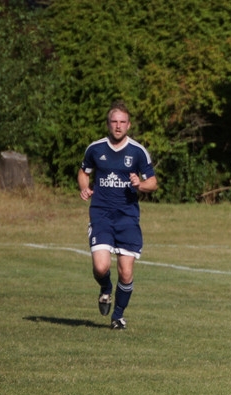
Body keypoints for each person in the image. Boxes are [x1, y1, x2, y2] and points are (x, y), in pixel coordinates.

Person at [78, 100, 158, 330]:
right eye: (114, 121)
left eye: (122, 122)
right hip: (101, 214)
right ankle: (105, 288)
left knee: (126, 272)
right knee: (101, 267)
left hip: (127, 217)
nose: (118, 126)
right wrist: (84, 186)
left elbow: (153, 183)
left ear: (129, 125)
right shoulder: (96, 149)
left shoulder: (137, 151)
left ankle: (118, 316)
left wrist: (140, 184)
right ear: (108, 124)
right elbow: (83, 172)